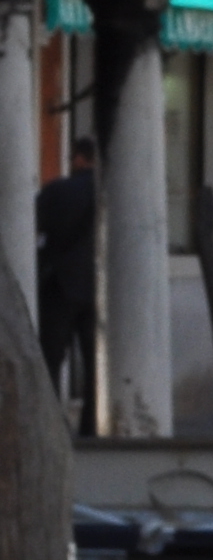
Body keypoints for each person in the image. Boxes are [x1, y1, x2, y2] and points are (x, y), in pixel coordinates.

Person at [34, 136, 96, 420]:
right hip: (97, 289)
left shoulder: (58, 192)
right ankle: (91, 422)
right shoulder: (111, 191)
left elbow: (32, 224)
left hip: (61, 285)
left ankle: (50, 419)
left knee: (51, 357)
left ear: (79, 159)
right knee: (95, 360)